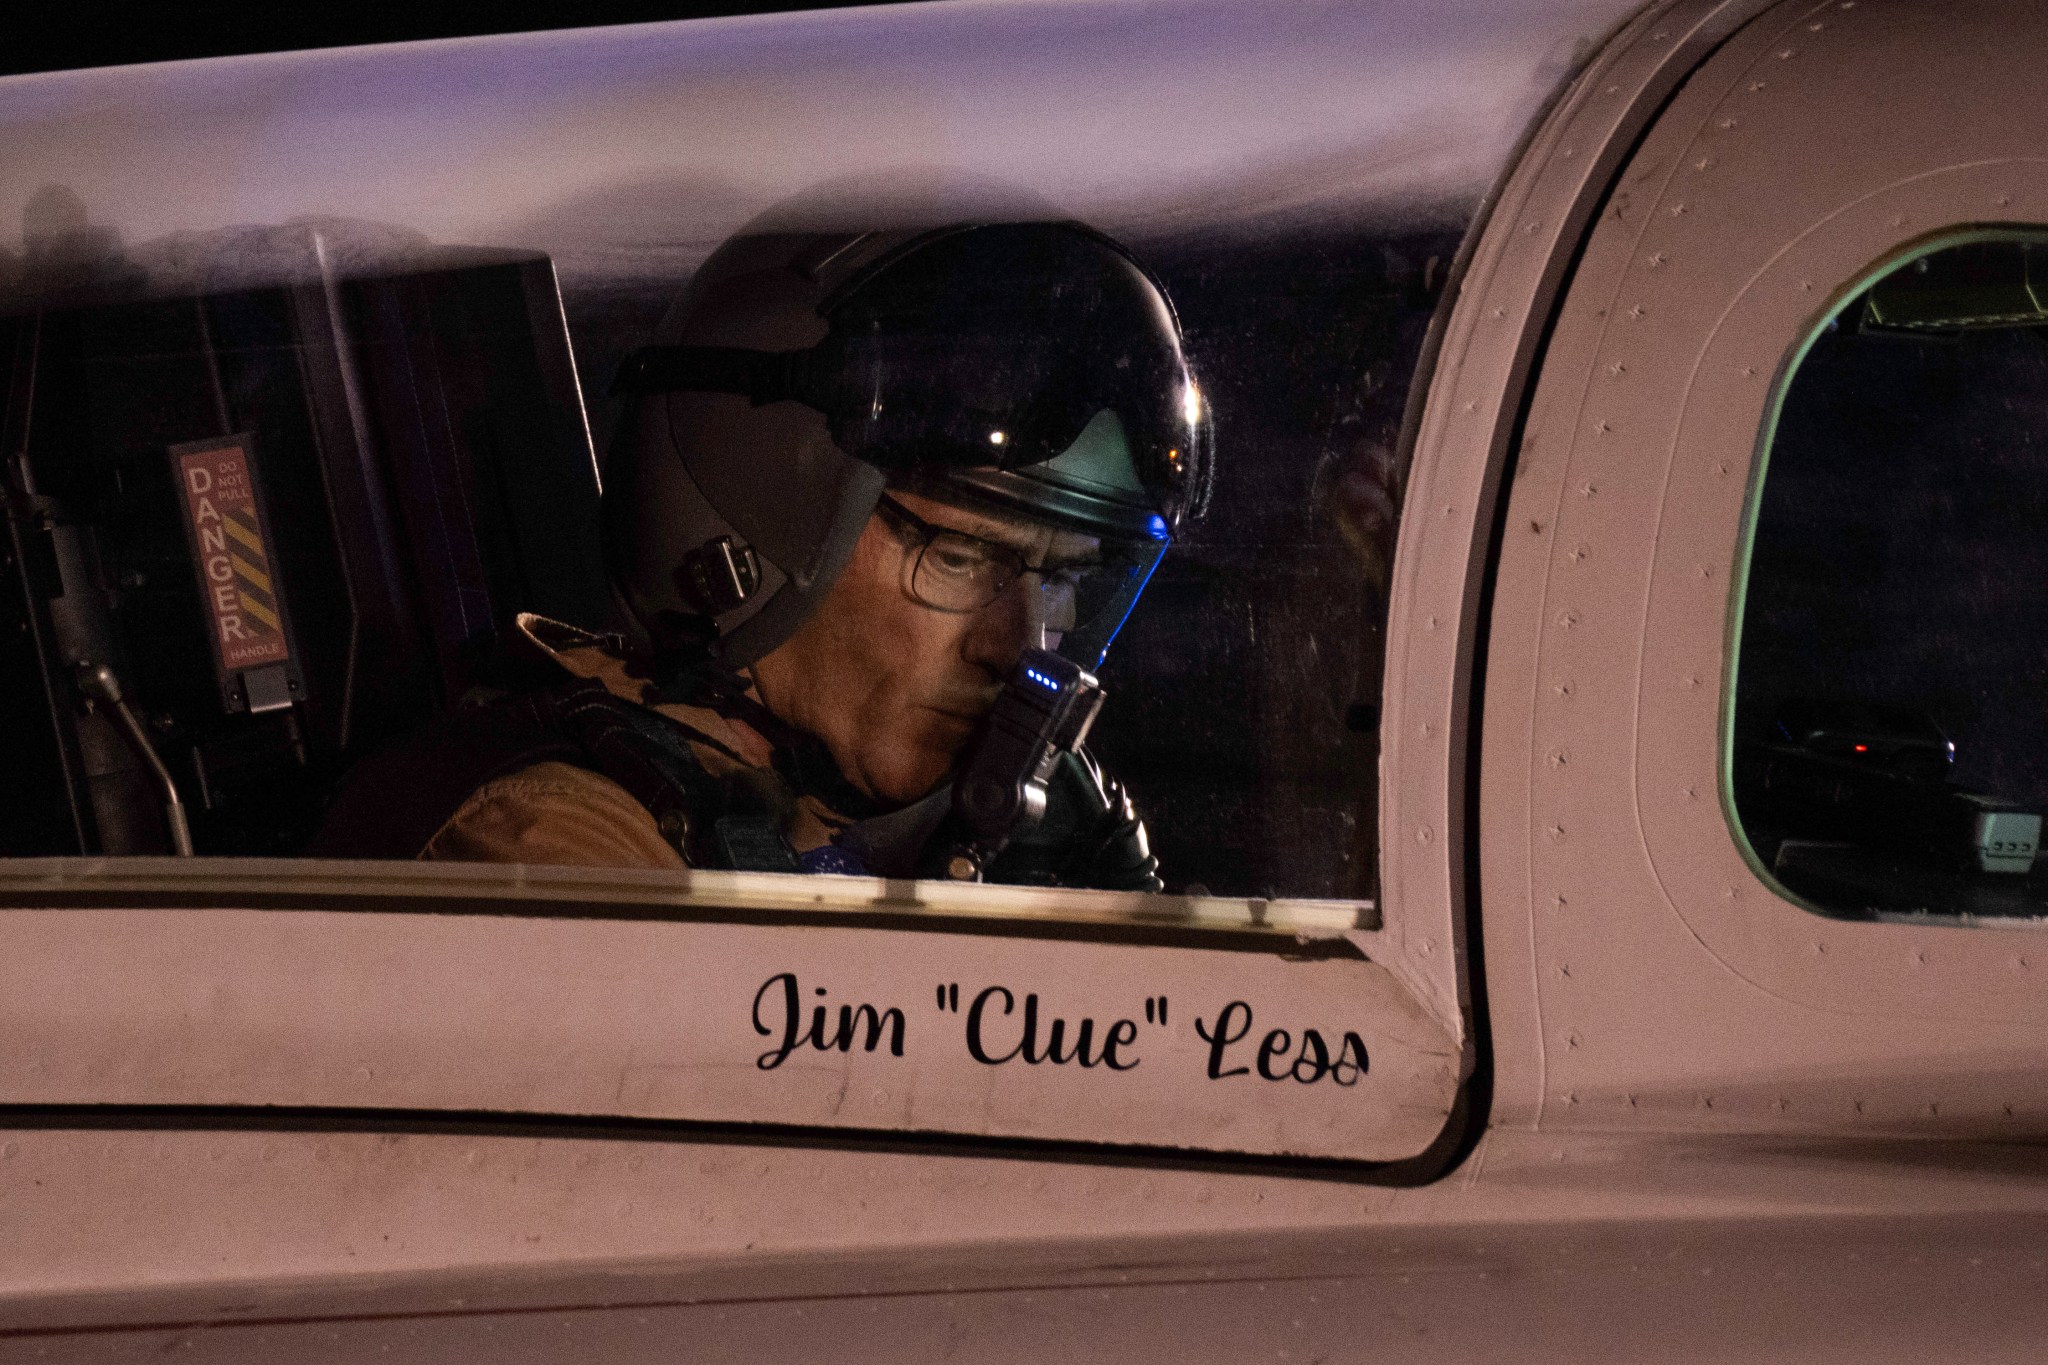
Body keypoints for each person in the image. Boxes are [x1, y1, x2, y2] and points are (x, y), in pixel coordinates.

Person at [310, 220, 1210, 890]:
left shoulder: (919, 828)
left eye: (1060, 575)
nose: (1019, 644)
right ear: (753, 526)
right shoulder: (551, 845)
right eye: (964, 555)